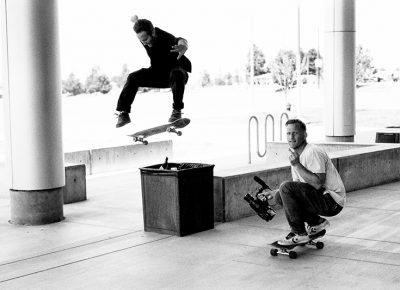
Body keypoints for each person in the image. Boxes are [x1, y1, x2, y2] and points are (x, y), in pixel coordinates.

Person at [259, 119, 345, 246]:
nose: (291, 137)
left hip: (332, 201)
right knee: (280, 196)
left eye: (295, 133)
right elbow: (296, 189)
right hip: (321, 198)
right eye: (288, 134)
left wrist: (297, 165)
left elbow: (317, 184)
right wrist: (274, 192)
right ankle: (316, 222)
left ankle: (299, 233)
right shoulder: (296, 156)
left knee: (285, 188)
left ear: (305, 135)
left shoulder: (312, 151)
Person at [115, 15, 191, 128]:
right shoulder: (144, 33)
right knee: (133, 77)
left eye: (145, 39)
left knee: (177, 73)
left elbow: (179, 39)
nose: (144, 43)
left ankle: (177, 111)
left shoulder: (164, 36)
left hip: (176, 75)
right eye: (141, 40)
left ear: (153, 33)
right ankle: (124, 113)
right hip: (158, 74)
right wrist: (136, 21)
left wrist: (183, 45)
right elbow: (142, 26)